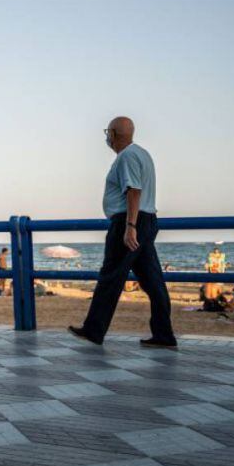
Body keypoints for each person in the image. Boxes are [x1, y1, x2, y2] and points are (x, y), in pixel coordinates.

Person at [70, 117, 177, 348]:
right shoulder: (143, 154)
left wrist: (130, 226)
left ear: (114, 133)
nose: (107, 137)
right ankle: (164, 334)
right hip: (146, 220)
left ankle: (93, 330)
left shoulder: (126, 156)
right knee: (153, 280)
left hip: (129, 221)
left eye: (107, 132)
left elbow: (133, 191)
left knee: (111, 276)